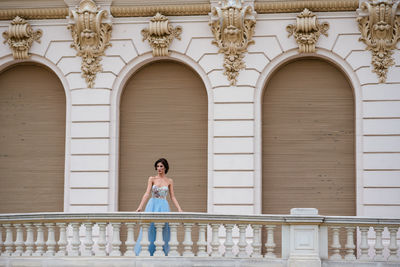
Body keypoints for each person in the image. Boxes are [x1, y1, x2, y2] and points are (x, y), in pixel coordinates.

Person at [134, 158, 183, 256]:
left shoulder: (169, 181)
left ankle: (161, 252)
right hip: (152, 204)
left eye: (161, 166)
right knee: (150, 228)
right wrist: (140, 206)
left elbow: (172, 196)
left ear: (165, 167)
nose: (159, 168)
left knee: (162, 229)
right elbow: (147, 193)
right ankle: (147, 252)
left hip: (163, 205)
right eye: (157, 166)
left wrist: (179, 208)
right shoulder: (152, 179)